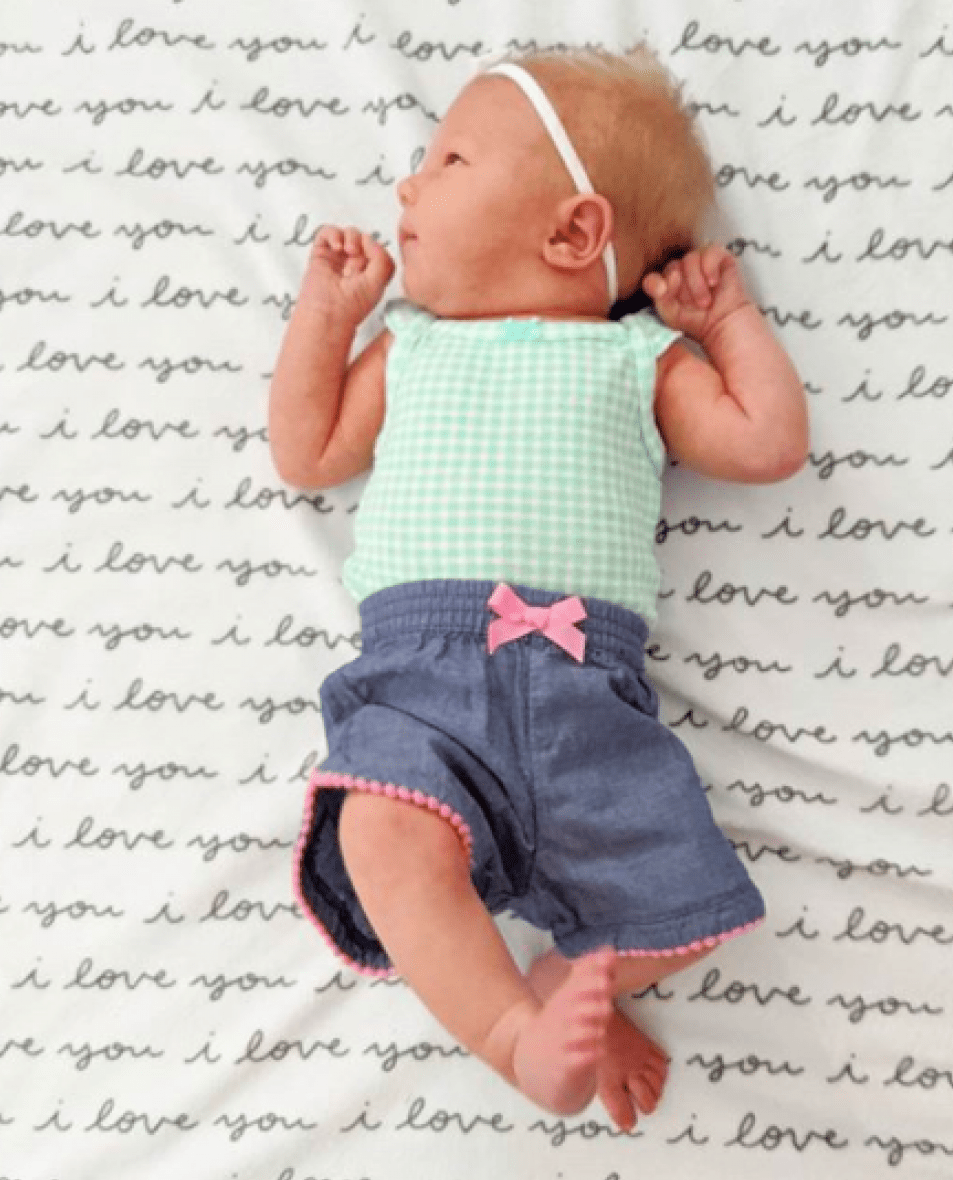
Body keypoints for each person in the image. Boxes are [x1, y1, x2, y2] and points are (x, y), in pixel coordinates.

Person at [269, 43, 808, 1134]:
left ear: (572, 233)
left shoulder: (639, 361)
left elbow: (766, 444)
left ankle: (571, 989)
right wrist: (327, 315)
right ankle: (512, 1034)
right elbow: (308, 452)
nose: (408, 187)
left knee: (690, 902)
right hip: (421, 691)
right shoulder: (411, 348)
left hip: (585, 703)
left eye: (450, 161)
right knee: (381, 831)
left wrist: (726, 326)